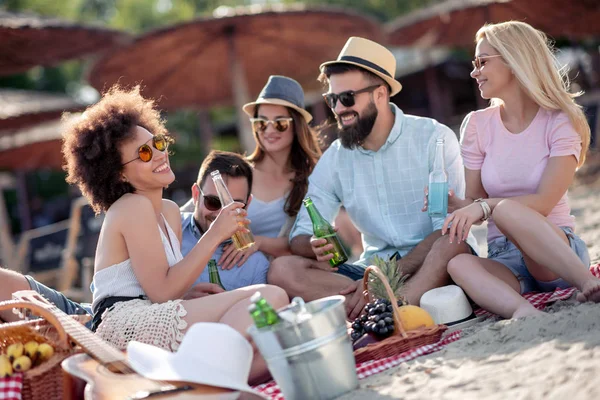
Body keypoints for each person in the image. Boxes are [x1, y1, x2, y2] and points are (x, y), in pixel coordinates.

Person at [61, 85, 288, 383]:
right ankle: (201, 376)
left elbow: (163, 287)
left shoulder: (168, 211)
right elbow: (162, 291)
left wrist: (190, 295)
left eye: (157, 142)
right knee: (269, 297)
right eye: (144, 153)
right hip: (122, 326)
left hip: (150, 314)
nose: (158, 154)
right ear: (118, 173)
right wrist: (215, 234)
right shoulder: (132, 206)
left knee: (269, 353)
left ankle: (203, 380)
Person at [268, 37, 478, 319]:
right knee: (283, 270)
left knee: (453, 243)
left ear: (380, 93)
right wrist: (313, 245)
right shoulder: (335, 158)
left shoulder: (434, 137)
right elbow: (299, 236)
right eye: (332, 100)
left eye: (347, 98)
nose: (339, 109)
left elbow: (447, 229)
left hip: (428, 263)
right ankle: (389, 308)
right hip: (368, 272)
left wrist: (381, 280)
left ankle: (389, 310)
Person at [443, 21, 600, 319]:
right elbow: (476, 201)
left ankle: (588, 283)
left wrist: (485, 208)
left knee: (503, 210)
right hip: (505, 259)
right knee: (458, 264)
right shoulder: (477, 124)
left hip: (556, 254)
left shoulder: (560, 121)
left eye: (482, 61)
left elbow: (543, 202)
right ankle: (523, 313)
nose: (474, 71)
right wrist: (458, 205)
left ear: (515, 60)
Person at [216, 76, 322, 269]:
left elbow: (303, 240)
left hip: (291, 271)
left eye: (280, 123)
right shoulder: (237, 172)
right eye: (262, 123)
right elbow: (193, 214)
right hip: (239, 270)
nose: (269, 130)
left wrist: (259, 242)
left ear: (297, 126)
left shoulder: (311, 179)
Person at [181, 150, 271, 289]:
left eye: (233, 206)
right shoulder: (167, 230)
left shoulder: (256, 264)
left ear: (247, 204)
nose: (222, 215)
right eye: (213, 202)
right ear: (196, 194)